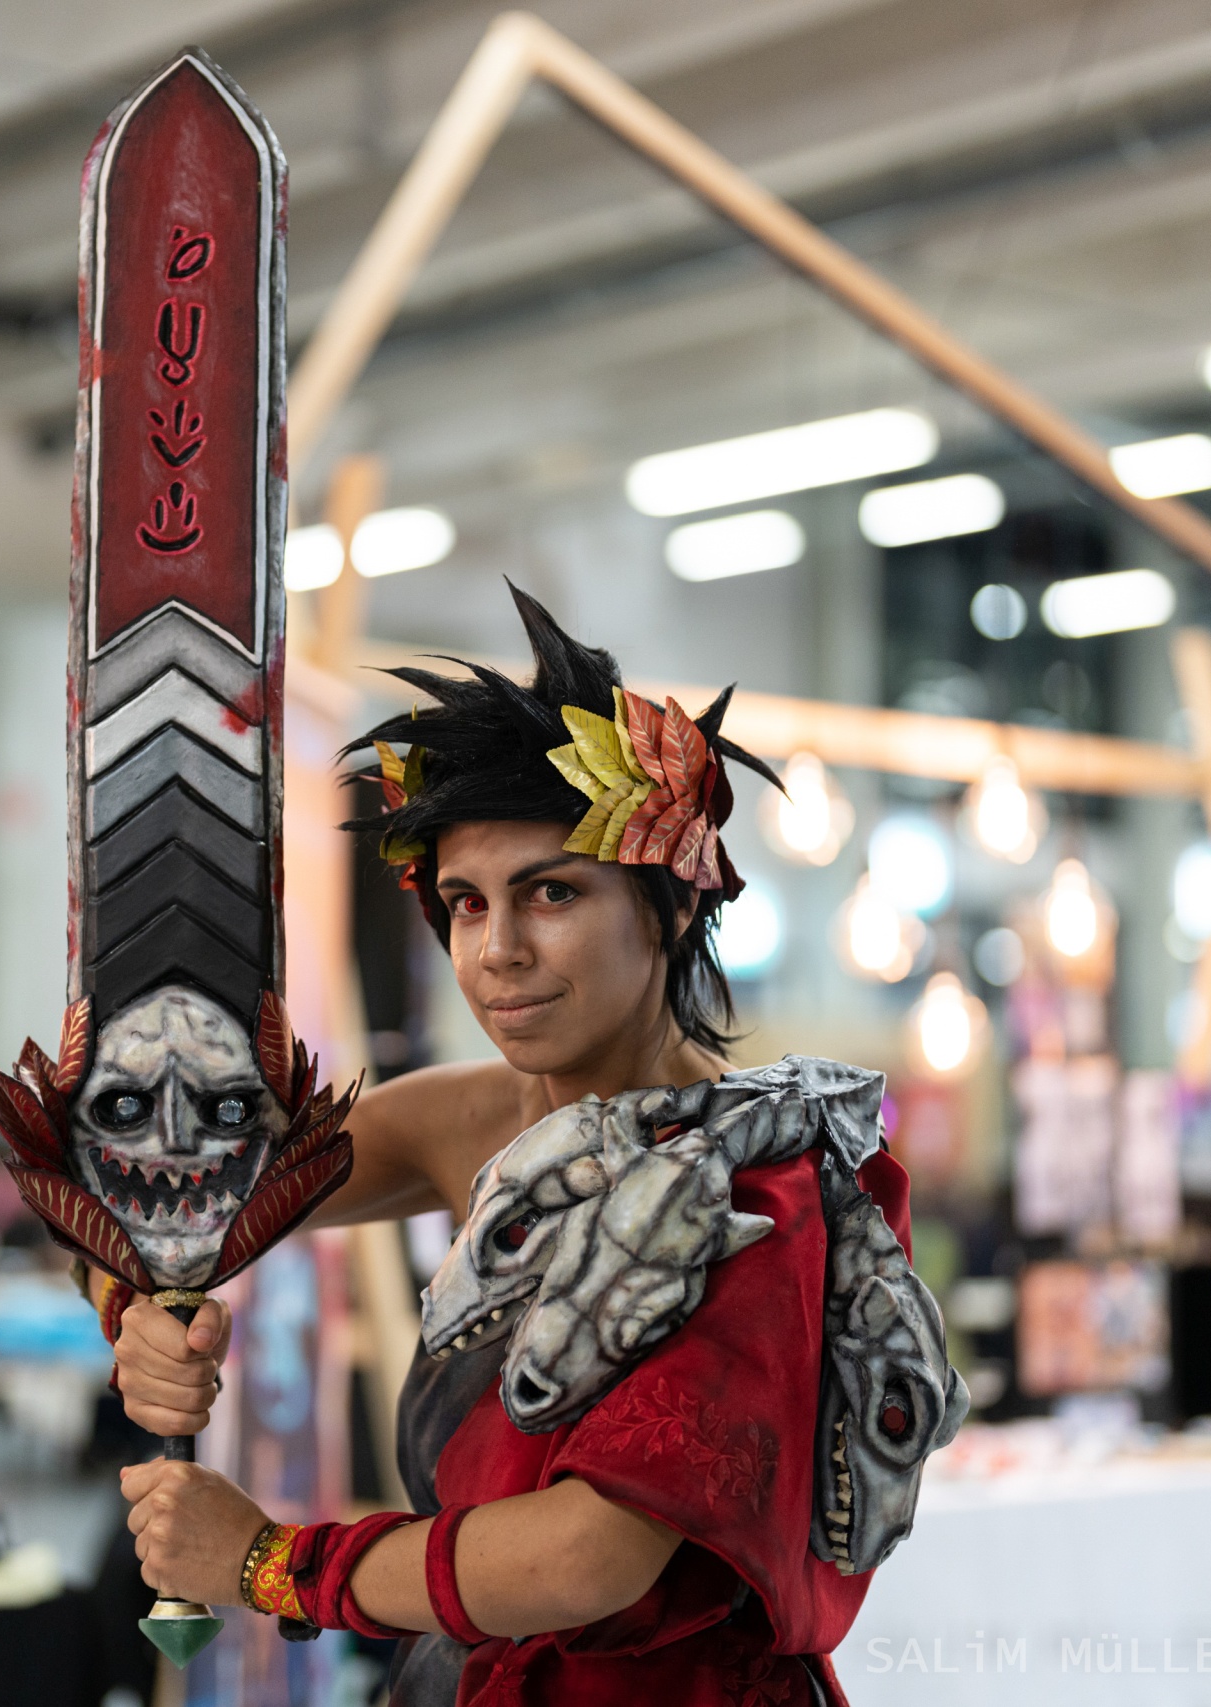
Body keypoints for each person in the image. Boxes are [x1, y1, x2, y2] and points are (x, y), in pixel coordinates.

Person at [108, 588, 953, 1705]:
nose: (498, 949)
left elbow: (588, 1556)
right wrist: (136, 1311)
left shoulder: (755, 1182)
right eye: (466, 903)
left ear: (669, 907)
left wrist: (270, 1562)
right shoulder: (463, 1122)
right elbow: (154, 1198)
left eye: (551, 892)